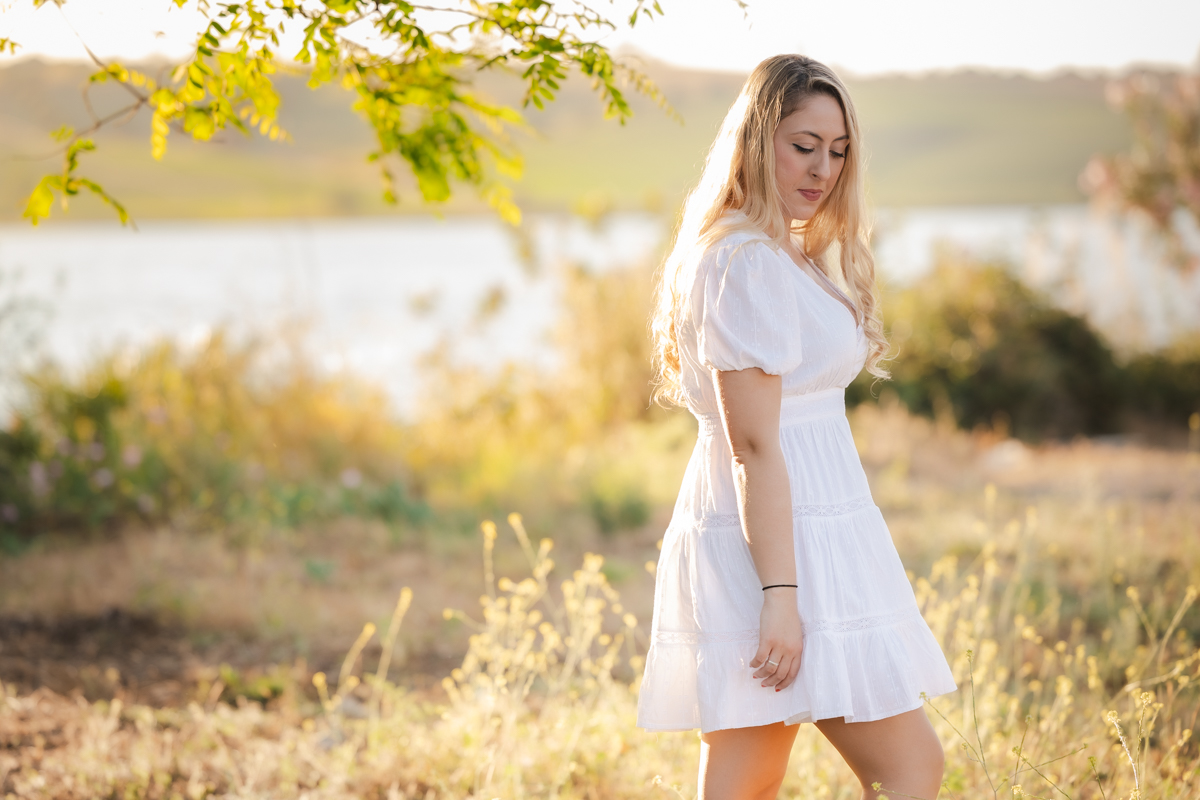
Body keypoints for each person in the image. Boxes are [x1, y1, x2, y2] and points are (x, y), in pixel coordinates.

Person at [638, 54, 958, 800]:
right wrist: (780, 594)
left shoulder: (784, 252)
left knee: (748, 777)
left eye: (838, 150)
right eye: (802, 144)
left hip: (809, 527)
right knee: (909, 766)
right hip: (776, 545)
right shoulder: (743, 260)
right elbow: (752, 447)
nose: (822, 168)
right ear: (756, 140)